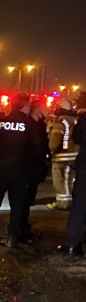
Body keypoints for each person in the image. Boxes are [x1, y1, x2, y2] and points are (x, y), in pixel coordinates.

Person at [0, 93, 45, 248]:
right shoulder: (30, 125)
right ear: (26, 106)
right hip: (20, 173)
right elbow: (38, 150)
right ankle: (12, 238)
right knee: (17, 206)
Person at [19, 100, 51, 243]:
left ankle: (21, 227)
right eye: (46, 109)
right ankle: (21, 230)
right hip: (30, 169)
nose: (49, 112)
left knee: (25, 200)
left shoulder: (34, 124)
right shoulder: (33, 126)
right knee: (25, 201)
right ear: (38, 111)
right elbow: (39, 147)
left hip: (29, 168)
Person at [59, 93, 86, 255]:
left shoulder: (84, 118)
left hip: (84, 168)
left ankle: (71, 243)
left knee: (79, 207)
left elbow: (76, 137)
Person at [47, 99, 79, 210]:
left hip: (62, 156)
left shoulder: (60, 121)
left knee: (60, 181)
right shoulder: (76, 120)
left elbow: (55, 139)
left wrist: (51, 149)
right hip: (75, 155)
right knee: (70, 180)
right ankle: (72, 202)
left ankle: (63, 204)